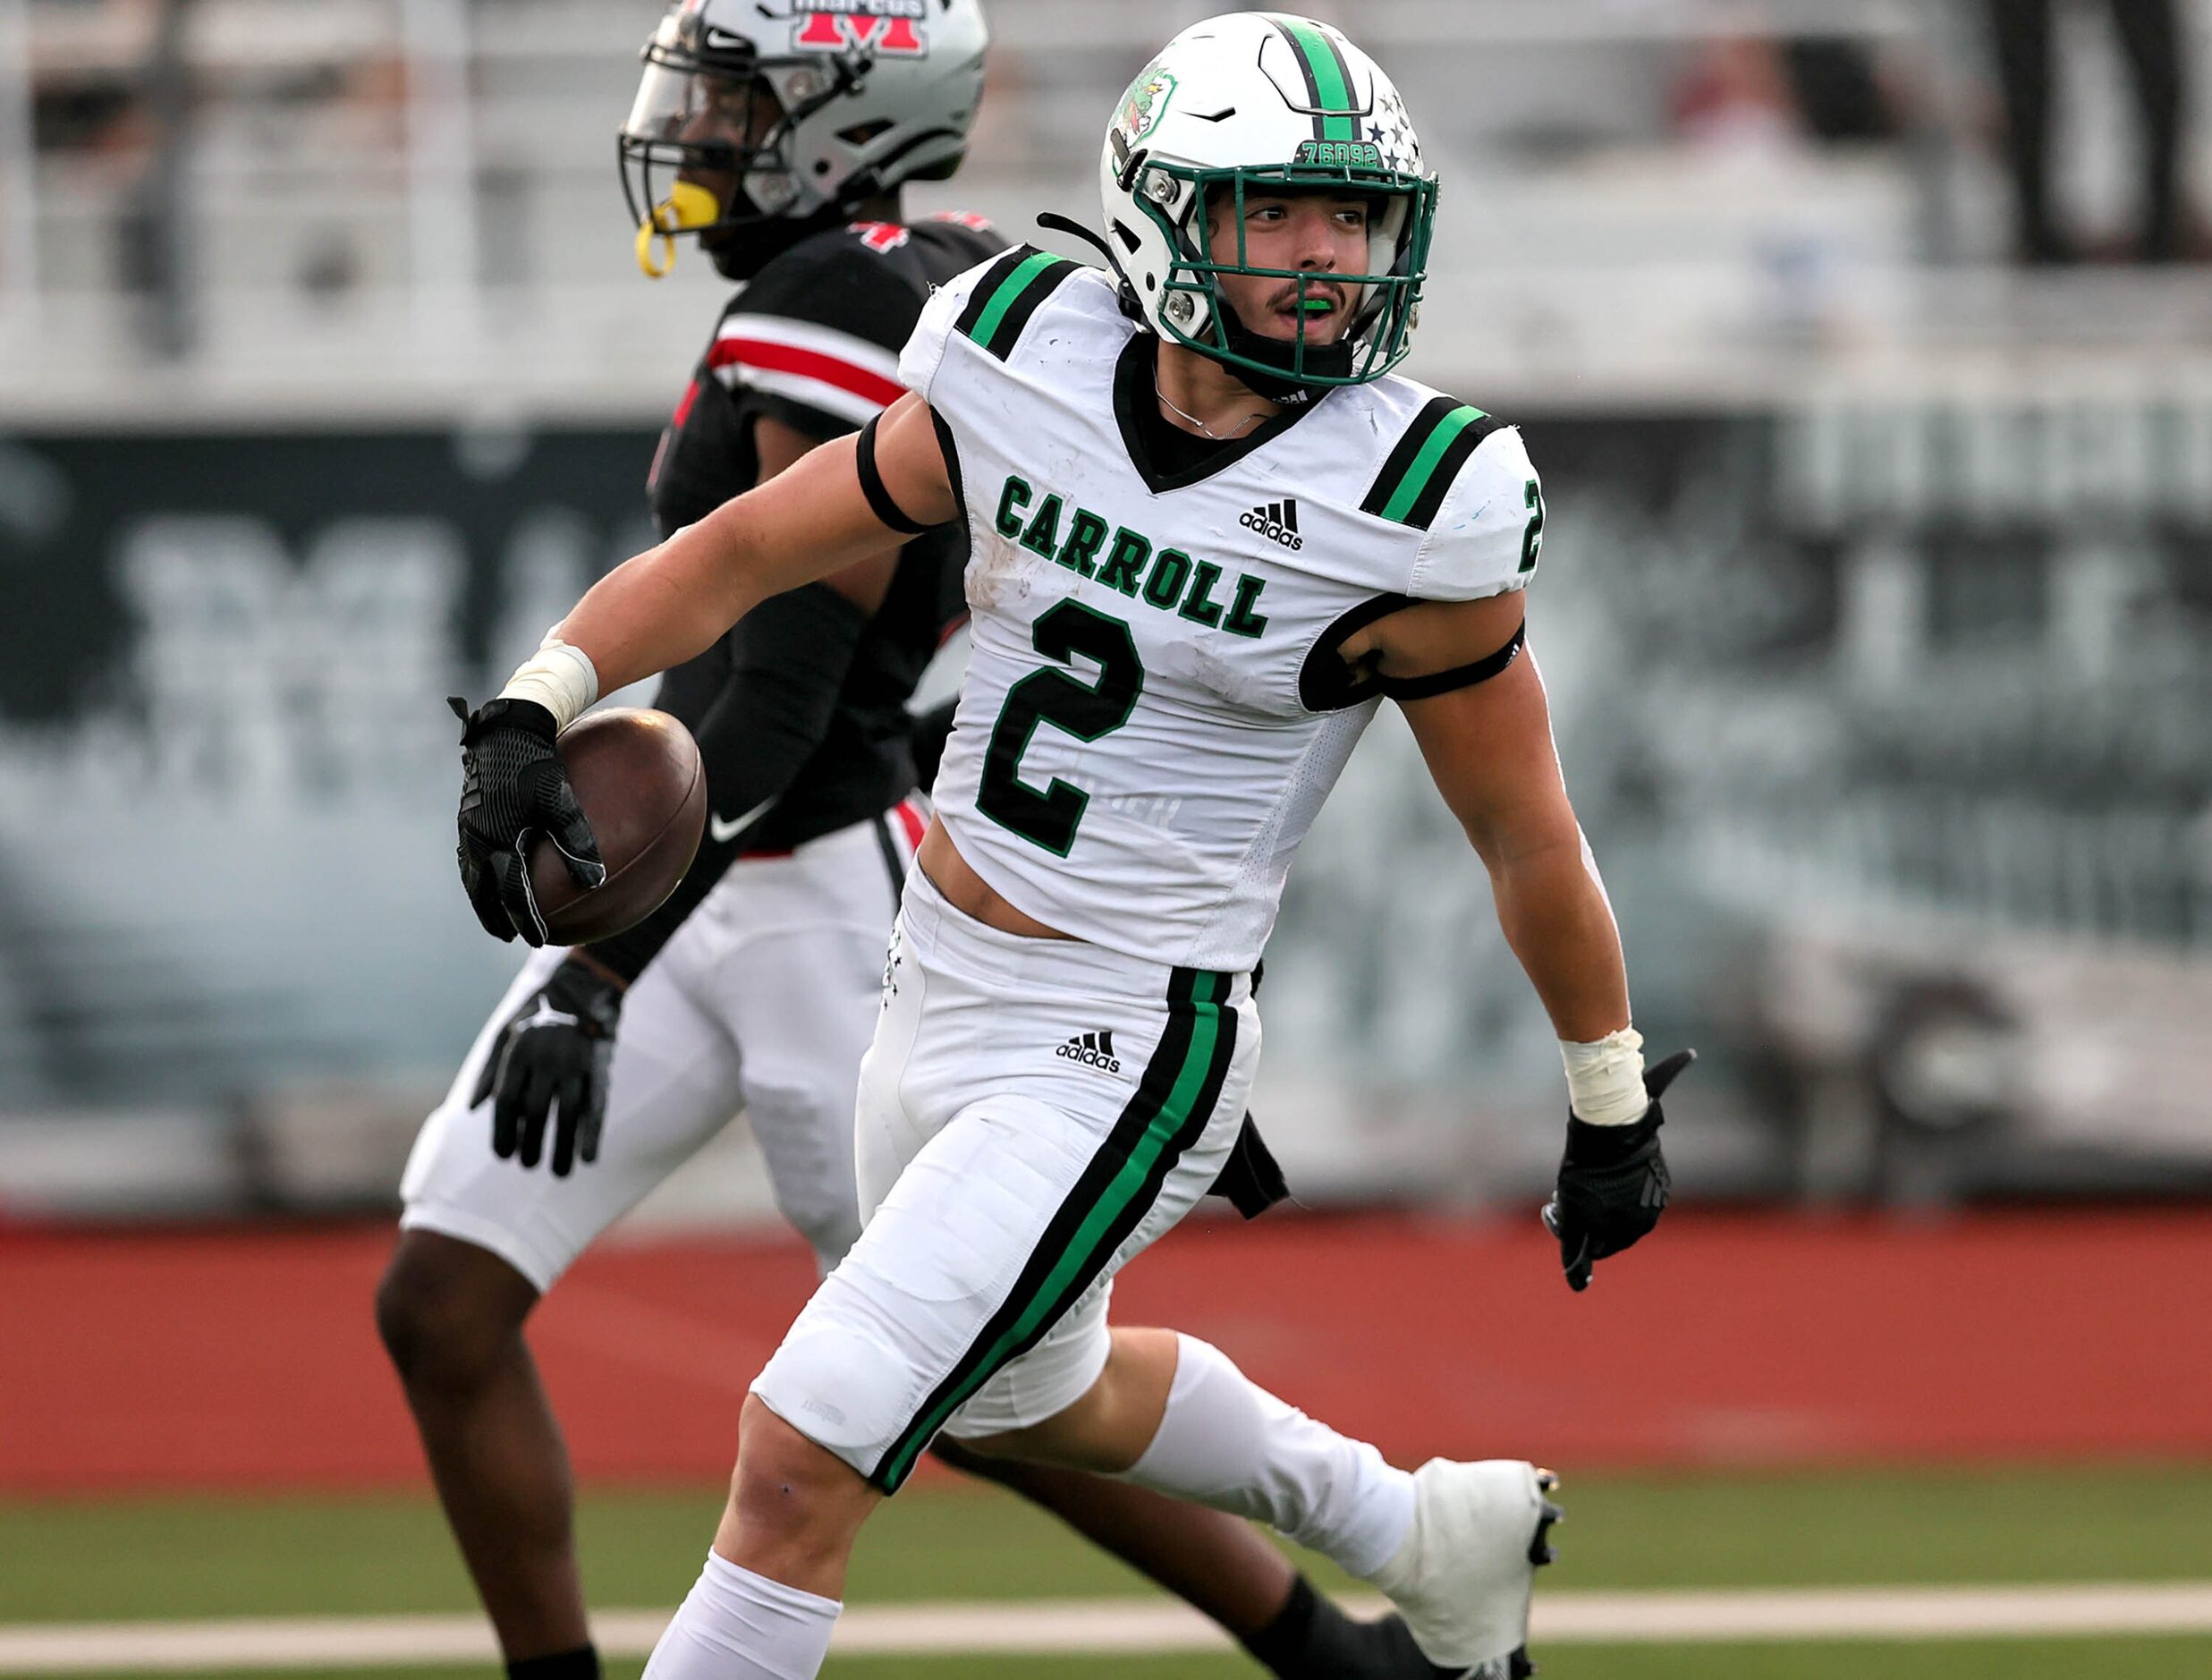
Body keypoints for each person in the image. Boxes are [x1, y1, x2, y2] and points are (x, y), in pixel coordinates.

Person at [449, 12, 1691, 1679]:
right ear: (1166, 215)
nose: (1328, 259)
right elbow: (749, 547)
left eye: (1356, 218)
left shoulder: (1416, 495)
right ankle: (1422, 1535)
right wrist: (542, 699)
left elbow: (1523, 833)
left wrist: (1604, 1091)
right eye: (1277, 215)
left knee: (794, 1458)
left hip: (1127, 1035)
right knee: (1036, 1398)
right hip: (932, 983)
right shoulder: (1023, 349)